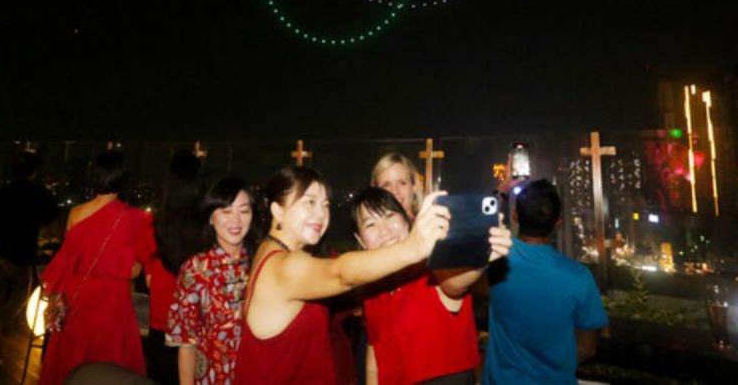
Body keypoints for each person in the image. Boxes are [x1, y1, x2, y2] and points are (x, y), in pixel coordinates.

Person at [234, 166, 451, 384]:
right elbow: (340, 273)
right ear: (277, 211)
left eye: (325, 205)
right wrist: (412, 248)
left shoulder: (268, 251)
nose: (320, 214)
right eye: (309, 202)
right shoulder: (284, 265)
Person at [352, 187, 512, 385]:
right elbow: (374, 350)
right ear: (360, 240)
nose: (384, 230)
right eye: (370, 225)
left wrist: (482, 255)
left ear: (408, 222)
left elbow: (454, 285)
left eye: (390, 216)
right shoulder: (372, 287)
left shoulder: (434, 267)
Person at [480, 179, 608, 385]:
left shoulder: (496, 261)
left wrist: (502, 191)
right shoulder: (579, 277)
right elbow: (587, 347)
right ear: (558, 223)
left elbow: (479, 226)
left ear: (514, 214)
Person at [38, 151, 148, 385]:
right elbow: (133, 270)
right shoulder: (135, 218)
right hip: (111, 303)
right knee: (110, 366)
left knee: (73, 362)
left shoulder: (75, 213)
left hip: (77, 298)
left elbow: (68, 260)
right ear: (123, 177)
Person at [166, 176, 259, 385]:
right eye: (226, 211)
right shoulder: (195, 270)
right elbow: (186, 344)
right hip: (211, 378)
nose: (235, 221)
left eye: (244, 211)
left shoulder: (261, 263)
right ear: (210, 217)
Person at [0, 151, 58, 378]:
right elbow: (54, 228)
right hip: (23, 259)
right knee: (18, 302)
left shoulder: (0, 194)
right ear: (34, 172)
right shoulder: (40, 194)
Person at [137, 150, 203, 384]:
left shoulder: (153, 225)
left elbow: (150, 282)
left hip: (162, 323)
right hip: (199, 325)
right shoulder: (208, 227)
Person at [371, 153, 423, 219]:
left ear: (414, 187)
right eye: (386, 185)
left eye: (402, 183)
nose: (395, 191)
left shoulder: (429, 227)